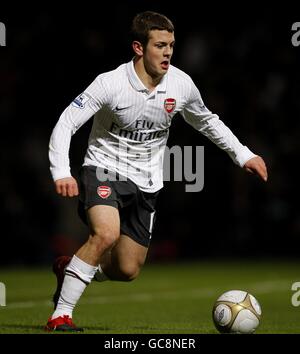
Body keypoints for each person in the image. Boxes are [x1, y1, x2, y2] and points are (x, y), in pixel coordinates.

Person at [45, 11, 268, 332]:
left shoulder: (180, 84)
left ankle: (72, 268)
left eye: (172, 46)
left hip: (146, 182)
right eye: (160, 45)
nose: (167, 53)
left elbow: (206, 120)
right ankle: (60, 316)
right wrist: (61, 171)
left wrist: (243, 154)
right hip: (103, 168)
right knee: (105, 234)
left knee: (127, 268)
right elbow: (66, 122)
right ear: (139, 47)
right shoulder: (110, 84)